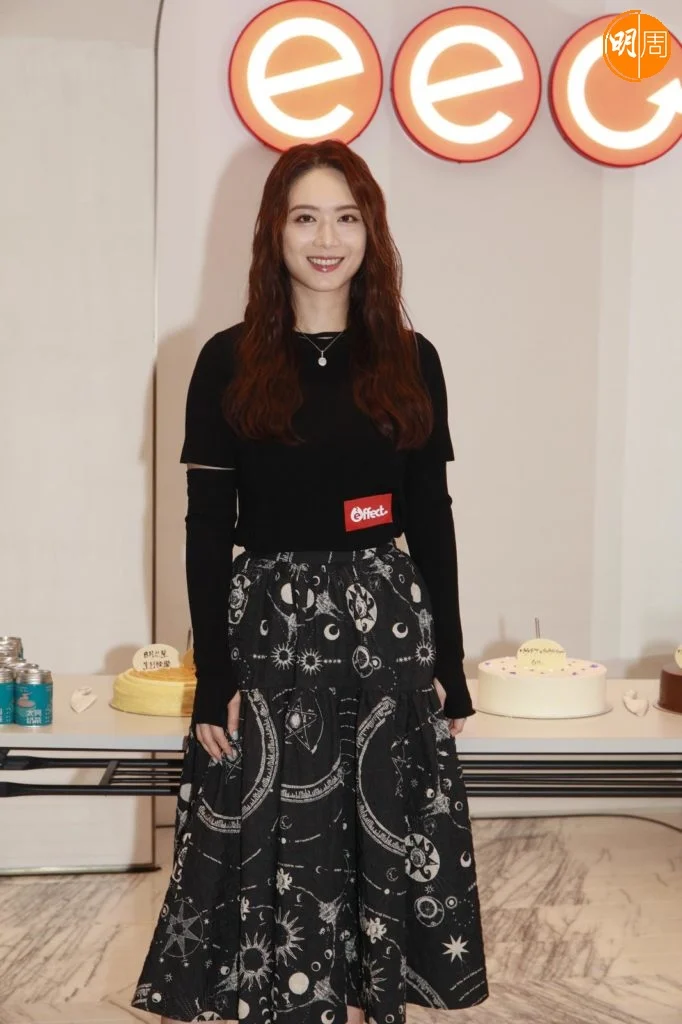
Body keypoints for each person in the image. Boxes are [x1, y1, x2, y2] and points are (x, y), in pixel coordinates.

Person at [132, 139, 488, 1024]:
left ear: (372, 233)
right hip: (269, 628)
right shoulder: (225, 361)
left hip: (386, 629)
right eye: (305, 218)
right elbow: (206, 526)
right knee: (265, 834)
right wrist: (214, 675)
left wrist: (450, 659)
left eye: (346, 218)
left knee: (377, 833)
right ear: (274, 233)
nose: (327, 240)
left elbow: (430, 516)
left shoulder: (412, 357)